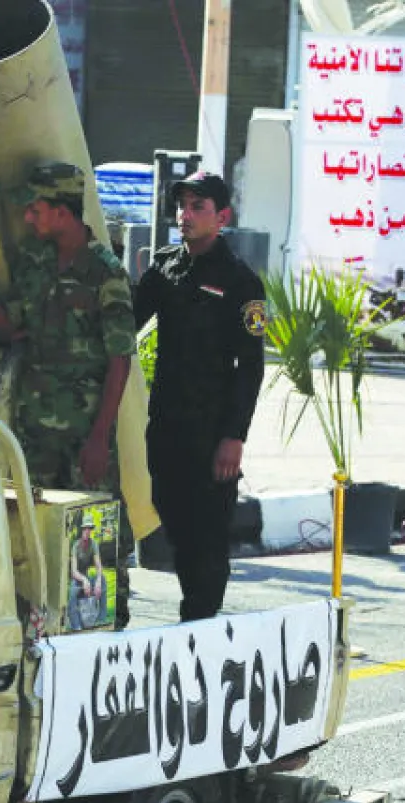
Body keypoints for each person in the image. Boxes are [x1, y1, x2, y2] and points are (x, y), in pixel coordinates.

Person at [0, 162, 135, 626]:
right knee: (34, 525)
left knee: (96, 532)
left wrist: (98, 438)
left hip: (82, 431)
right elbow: (13, 326)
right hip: (33, 427)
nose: (29, 219)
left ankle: (109, 624)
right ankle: (40, 621)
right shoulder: (35, 261)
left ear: (64, 213)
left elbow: (120, 359)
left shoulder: (105, 273)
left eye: (37, 209)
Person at [134, 171, 265, 622]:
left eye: (197, 207)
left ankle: (200, 623)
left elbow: (251, 366)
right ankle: (193, 613)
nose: (184, 216)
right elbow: (125, 321)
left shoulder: (241, 281)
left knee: (207, 535)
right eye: (182, 206)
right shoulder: (166, 266)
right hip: (166, 424)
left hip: (211, 434)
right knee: (175, 524)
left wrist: (234, 436)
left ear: (222, 217)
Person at [67, 516, 107, 631]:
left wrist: (98, 581)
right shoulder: (76, 545)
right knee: (72, 594)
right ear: (82, 529)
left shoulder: (93, 544)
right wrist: (84, 580)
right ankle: (76, 625)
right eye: (85, 528)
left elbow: (98, 564)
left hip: (87, 577)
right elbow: (73, 571)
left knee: (102, 579)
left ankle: (101, 619)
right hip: (78, 578)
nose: (87, 531)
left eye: (89, 528)